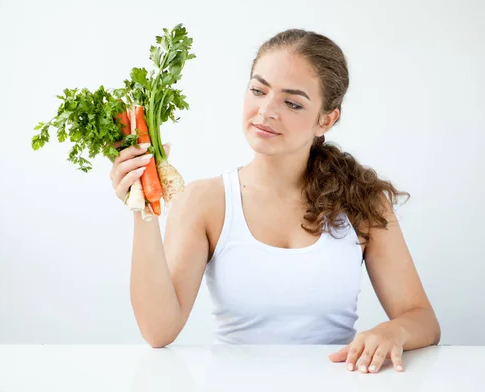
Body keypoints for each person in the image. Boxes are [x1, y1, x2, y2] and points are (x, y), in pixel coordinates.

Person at [110, 28, 441, 374]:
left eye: (292, 102)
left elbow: (423, 320)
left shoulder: (362, 203)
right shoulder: (206, 201)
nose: (266, 111)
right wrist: (142, 208)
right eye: (258, 90)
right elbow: (158, 330)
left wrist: (393, 331)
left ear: (326, 119)